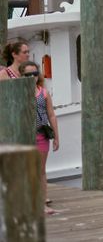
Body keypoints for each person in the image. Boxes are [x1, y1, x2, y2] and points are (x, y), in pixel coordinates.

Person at [20, 60, 60, 215]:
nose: (32, 77)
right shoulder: (19, 94)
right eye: (28, 74)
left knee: (40, 170)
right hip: (24, 136)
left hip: (41, 134)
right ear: (22, 76)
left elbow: (51, 114)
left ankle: (41, 202)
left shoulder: (43, 92)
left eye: (35, 74)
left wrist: (56, 136)